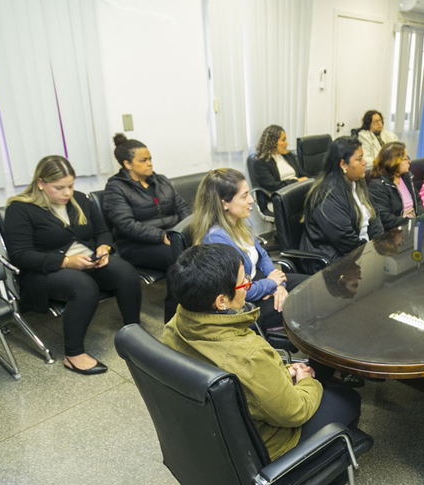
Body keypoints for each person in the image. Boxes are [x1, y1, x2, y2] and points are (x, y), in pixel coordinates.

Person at [162, 243, 363, 463]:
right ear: (221, 301)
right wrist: (306, 381)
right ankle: (319, 472)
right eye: (244, 283)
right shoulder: (248, 354)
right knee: (347, 398)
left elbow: (247, 379)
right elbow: (294, 413)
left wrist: (282, 372)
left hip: (214, 437)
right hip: (264, 445)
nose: (249, 283)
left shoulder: (174, 325)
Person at [5, 155, 141, 375]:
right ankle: (73, 354)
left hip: (87, 261)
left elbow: (102, 232)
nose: (67, 193)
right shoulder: (20, 209)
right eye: (59, 188)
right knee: (84, 287)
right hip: (45, 270)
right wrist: (66, 262)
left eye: (70, 186)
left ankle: (133, 331)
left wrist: (104, 249)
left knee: (126, 272)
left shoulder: (80, 199)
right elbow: (20, 255)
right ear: (40, 183)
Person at [191, 168, 307, 332]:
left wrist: (277, 285)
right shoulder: (216, 239)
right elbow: (238, 290)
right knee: (304, 306)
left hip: (258, 282)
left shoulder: (242, 222)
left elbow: (263, 256)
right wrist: (271, 284)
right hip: (244, 301)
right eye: (244, 196)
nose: (251, 200)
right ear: (224, 203)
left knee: (310, 288)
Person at [104, 133, 190, 323]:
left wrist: (185, 230)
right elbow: (126, 225)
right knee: (178, 258)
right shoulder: (116, 188)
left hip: (169, 238)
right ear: (127, 164)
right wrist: (162, 236)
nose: (150, 164)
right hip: (135, 246)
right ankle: (174, 319)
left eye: (150, 159)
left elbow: (182, 207)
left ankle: (198, 307)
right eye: (143, 160)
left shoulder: (161, 180)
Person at [300, 136, 384, 272]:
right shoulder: (326, 195)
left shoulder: (358, 181)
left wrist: (378, 245)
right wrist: (370, 251)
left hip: (359, 253)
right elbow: (346, 241)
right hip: (333, 262)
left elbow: (375, 216)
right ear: (343, 164)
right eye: (359, 159)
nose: (364, 163)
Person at [368, 142, 423, 231]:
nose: (409, 161)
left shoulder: (406, 177)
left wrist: (421, 217)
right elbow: (385, 219)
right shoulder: (378, 185)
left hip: (412, 227)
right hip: (394, 234)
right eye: (405, 158)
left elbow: (418, 201)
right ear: (394, 162)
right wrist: (409, 220)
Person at [252, 125, 307, 197]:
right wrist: (296, 182)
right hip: (282, 195)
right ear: (272, 142)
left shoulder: (289, 155)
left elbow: (301, 174)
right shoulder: (260, 163)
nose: (286, 143)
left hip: (299, 190)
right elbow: (273, 186)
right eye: (283, 140)